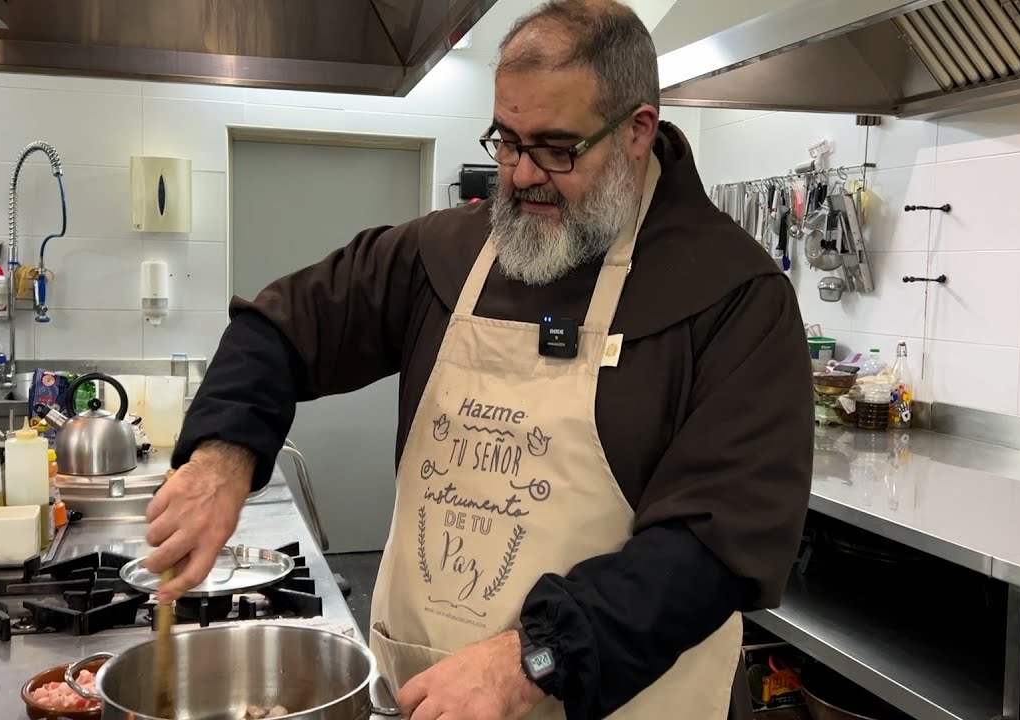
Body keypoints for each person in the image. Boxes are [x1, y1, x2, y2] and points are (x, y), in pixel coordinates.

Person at [143, 1, 813, 718]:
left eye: (557, 148)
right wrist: (224, 454)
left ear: (638, 132)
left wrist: (535, 656)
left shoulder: (732, 296)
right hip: (431, 695)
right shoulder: (443, 253)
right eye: (507, 141)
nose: (522, 175)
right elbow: (280, 326)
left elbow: (711, 552)